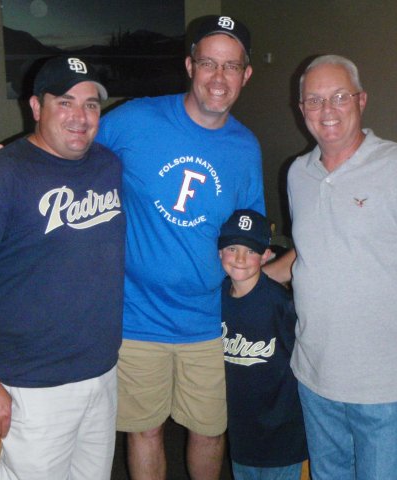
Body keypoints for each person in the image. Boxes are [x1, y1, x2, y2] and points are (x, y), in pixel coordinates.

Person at [0, 56, 126, 480]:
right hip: (31, 388)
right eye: (65, 102)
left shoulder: (108, 165)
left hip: (102, 373)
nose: (80, 116)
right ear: (36, 107)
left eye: (91, 105)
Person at [265, 55, 397, 479]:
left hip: (386, 389)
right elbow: (309, 250)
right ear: (301, 109)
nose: (326, 110)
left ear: (361, 100)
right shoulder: (297, 174)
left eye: (339, 97)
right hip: (315, 379)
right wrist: (250, 278)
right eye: (314, 100)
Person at [95, 15, 264, 480]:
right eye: (208, 63)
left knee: (209, 433)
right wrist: (22, 158)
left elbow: (249, 228)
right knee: (144, 432)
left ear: (246, 74)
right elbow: (73, 149)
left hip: (209, 320)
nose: (218, 77)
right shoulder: (134, 119)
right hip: (137, 316)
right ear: (190, 66)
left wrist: (250, 256)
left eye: (231, 66)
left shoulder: (246, 147)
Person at [218, 209, 307, 480]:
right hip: (241, 432)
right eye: (232, 248)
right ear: (219, 252)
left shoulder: (281, 304)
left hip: (281, 432)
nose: (240, 258)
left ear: (266, 255)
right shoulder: (217, 299)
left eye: (251, 250)